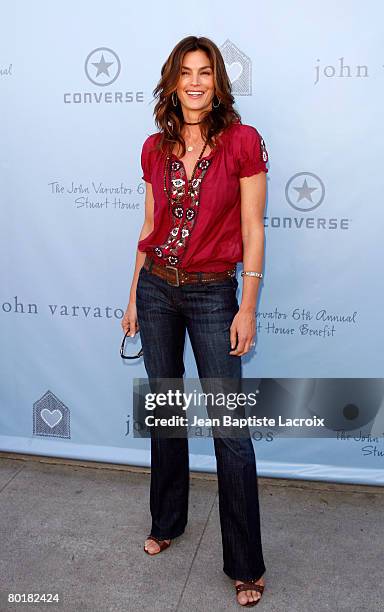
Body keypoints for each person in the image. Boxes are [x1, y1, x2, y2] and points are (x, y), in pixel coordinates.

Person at [122, 35, 269, 608]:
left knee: (231, 433)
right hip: (157, 288)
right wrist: (134, 293)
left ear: (218, 81)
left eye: (205, 71)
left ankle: (246, 564)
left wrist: (247, 306)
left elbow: (254, 229)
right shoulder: (153, 148)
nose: (195, 81)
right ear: (172, 80)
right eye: (185, 72)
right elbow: (150, 222)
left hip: (213, 295)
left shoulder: (242, 142)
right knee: (165, 414)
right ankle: (167, 521)